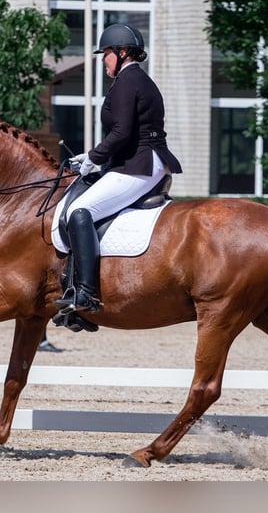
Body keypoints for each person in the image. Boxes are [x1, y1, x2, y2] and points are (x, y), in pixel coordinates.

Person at [54, 23, 183, 317]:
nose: (103, 60)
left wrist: (93, 157)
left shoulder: (128, 81)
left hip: (139, 164)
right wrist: (94, 156)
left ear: (122, 53)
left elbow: (123, 132)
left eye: (107, 54)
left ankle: (85, 294)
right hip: (138, 161)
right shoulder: (137, 79)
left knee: (80, 211)